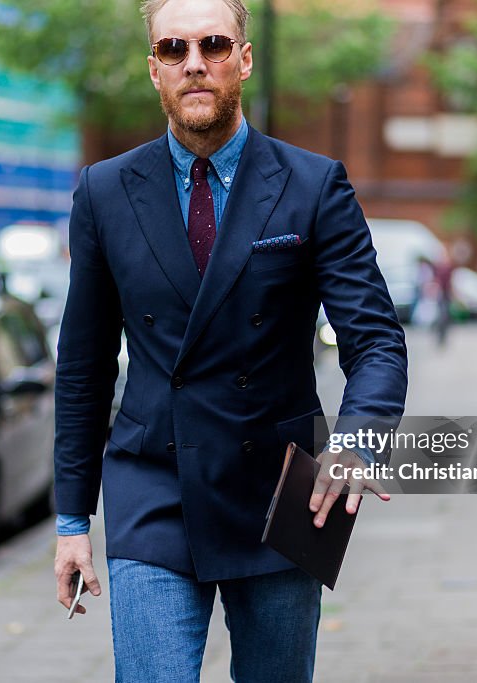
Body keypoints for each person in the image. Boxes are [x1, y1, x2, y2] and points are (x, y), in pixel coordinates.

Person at [52, 0, 407, 680]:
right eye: (173, 49)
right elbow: (84, 368)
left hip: (286, 490)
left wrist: (358, 440)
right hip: (153, 484)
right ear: (153, 70)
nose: (194, 64)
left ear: (243, 60)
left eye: (213, 45)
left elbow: (376, 341)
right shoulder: (103, 192)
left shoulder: (313, 184)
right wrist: (73, 518)